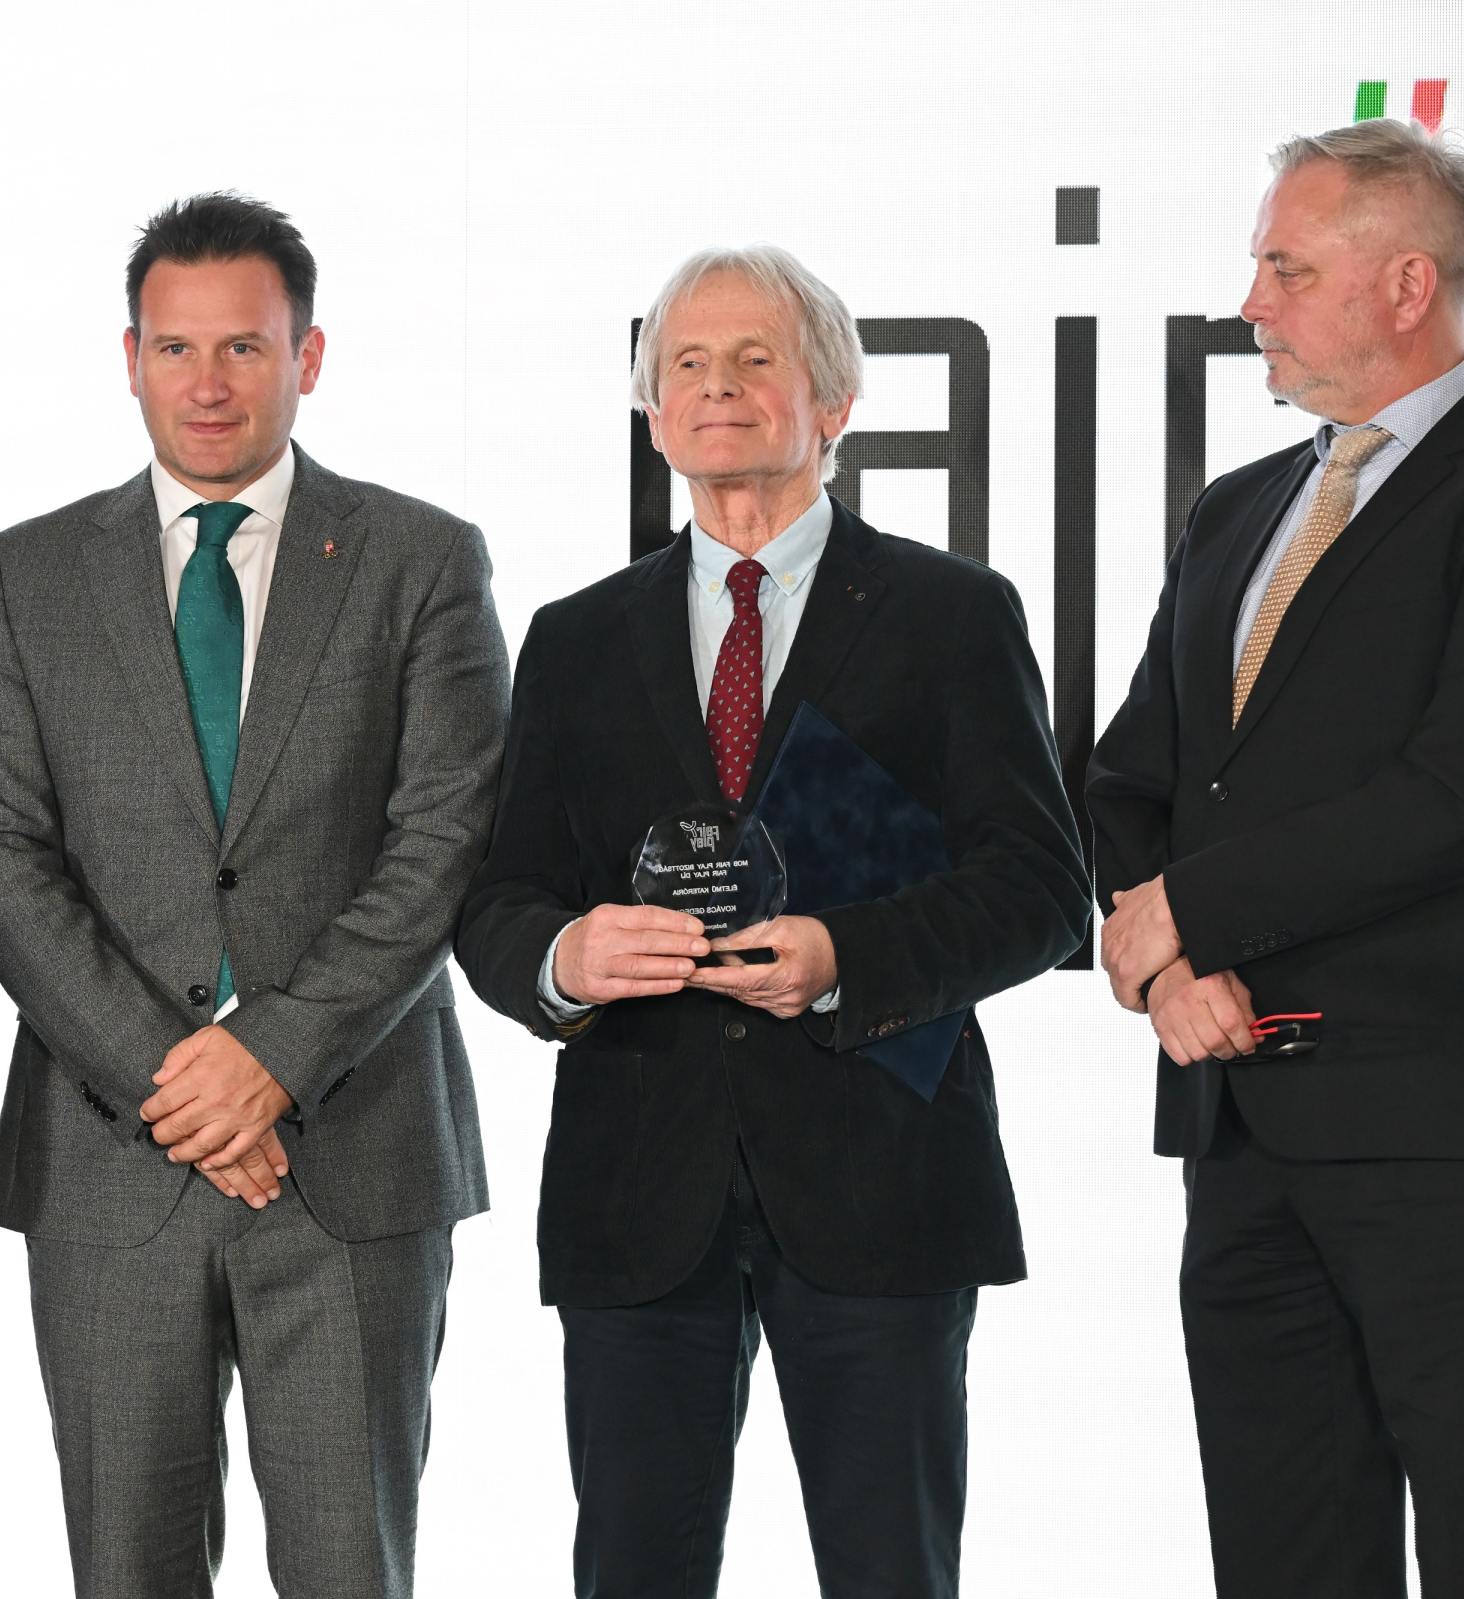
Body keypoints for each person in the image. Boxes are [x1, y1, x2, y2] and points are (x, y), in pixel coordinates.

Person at [456, 244, 1089, 1599]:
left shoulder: (951, 615)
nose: (718, 388)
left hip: (881, 1181)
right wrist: (566, 958)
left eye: (756, 360)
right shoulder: (576, 637)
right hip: (640, 1189)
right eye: (687, 364)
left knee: (890, 1574)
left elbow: (1040, 891)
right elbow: (500, 901)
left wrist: (845, 958)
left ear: (835, 401)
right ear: (652, 412)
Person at [1087, 119, 1464, 1599]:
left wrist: (1184, 914)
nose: (1251, 302)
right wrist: (1171, 977)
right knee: (1282, 1563)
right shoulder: (1236, 509)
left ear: (1406, 285)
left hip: (1451, 1133)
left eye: (1286, 267)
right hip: (1237, 1123)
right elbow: (1132, 780)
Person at [0, 190, 509, 1599]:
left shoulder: (423, 561)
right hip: (110, 1160)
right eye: (176, 346)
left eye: (244, 347)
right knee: (126, 1573)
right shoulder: (25, 574)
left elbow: (443, 839)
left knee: (350, 1572)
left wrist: (275, 1058)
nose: (208, 382)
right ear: (128, 358)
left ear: (307, 357)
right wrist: (179, 1081)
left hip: (354, 1155)